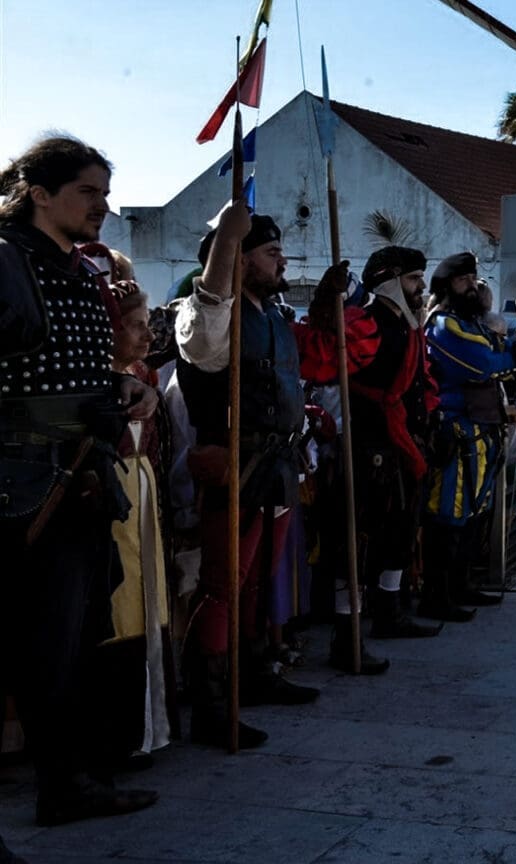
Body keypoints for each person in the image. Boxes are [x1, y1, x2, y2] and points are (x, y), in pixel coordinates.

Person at [0, 136, 159, 824]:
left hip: (79, 480)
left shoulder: (79, 267)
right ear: (41, 193)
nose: (103, 206)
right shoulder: (6, 261)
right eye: (88, 191)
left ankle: (66, 787)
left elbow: (76, 366)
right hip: (19, 485)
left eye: (104, 191)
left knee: (64, 647)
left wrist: (125, 388)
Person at [178, 201, 321, 747]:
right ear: (239, 260)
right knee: (223, 587)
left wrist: (328, 302)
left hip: (279, 464)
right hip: (238, 467)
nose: (281, 260)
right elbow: (204, 336)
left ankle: (256, 673)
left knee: (261, 580)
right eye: (269, 252)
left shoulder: (275, 316)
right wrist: (226, 246)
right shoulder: (209, 312)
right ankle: (211, 707)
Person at [295, 246, 441, 648]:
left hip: (401, 446)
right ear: (390, 281)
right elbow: (321, 359)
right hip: (366, 448)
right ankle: (347, 634)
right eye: (413, 279)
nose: (420, 287)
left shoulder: (408, 328)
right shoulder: (366, 323)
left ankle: (389, 613)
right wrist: (327, 307)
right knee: (353, 545)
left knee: (398, 533)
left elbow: (422, 384)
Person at [421, 253, 516, 619]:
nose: (474, 286)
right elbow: (480, 365)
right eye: (464, 279)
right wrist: (510, 359)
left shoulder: (473, 324)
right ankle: (436, 595)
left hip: (481, 430)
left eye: (474, 279)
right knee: (448, 513)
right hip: (456, 429)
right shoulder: (445, 325)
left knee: (473, 514)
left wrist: (508, 355)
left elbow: (499, 351)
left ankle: (461, 585)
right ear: (447, 284)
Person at [98, 283, 173, 770]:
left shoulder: (142, 375)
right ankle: (117, 735)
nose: (148, 335)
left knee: (150, 609)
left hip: (143, 497)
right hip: (111, 500)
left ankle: (150, 729)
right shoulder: (96, 382)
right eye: (137, 324)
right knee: (119, 611)